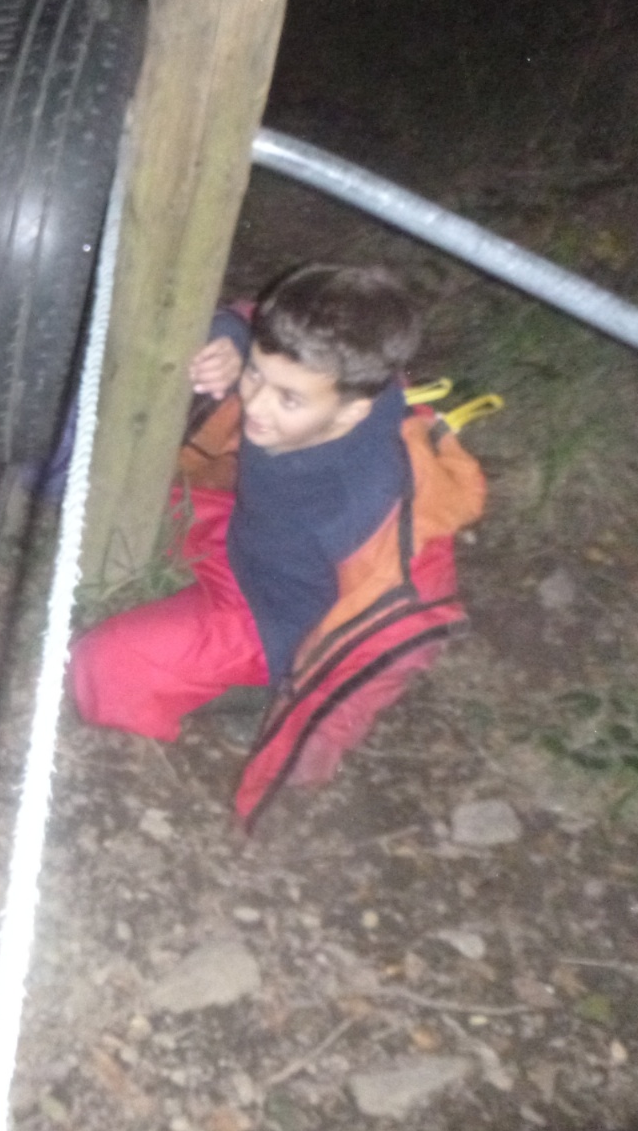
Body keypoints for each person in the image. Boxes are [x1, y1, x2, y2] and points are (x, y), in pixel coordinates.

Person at [70, 264, 486, 826]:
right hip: (242, 537)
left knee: (104, 663)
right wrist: (228, 341)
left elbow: (399, 634)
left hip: (274, 623)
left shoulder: (367, 502)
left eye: (289, 400)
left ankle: (255, 694)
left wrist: (315, 736)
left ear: (353, 410)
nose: (257, 406)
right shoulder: (327, 372)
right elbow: (250, 320)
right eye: (255, 376)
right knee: (106, 479)